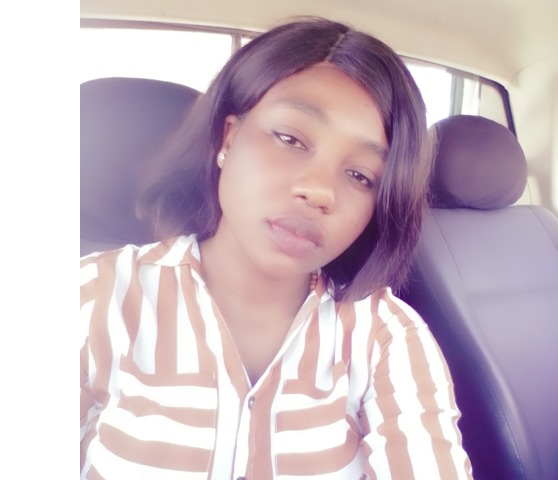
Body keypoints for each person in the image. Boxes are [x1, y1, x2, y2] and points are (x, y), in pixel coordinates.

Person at [80, 16, 473, 479]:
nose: (319, 191)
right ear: (229, 138)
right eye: (290, 139)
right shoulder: (95, 296)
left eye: (360, 175)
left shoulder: (386, 336)